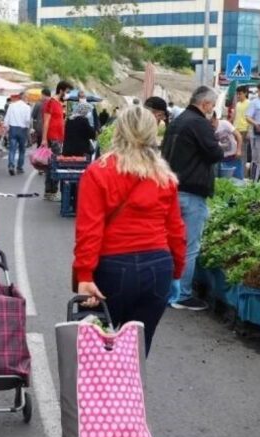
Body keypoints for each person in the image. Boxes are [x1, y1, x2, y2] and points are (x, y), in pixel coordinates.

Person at [73, 106, 185, 356]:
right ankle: (132, 394)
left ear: (118, 131)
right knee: (137, 351)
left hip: (112, 267)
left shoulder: (99, 172)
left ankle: (100, 394)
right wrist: (176, 272)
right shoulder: (163, 176)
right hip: (158, 267)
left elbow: (89, 230)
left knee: (100, 349)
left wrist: (85, 275)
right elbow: (175, 230)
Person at [161, 86, 224, 311]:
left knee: (170, 243)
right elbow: (215, 153)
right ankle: (182, 294)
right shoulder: (199, 123)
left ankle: (167, 291)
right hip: (191, 192)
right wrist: (215, 135)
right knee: (189, 245)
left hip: (171, 189)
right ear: (205, 104)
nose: (212, 110)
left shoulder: (177, 121)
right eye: (212, 106)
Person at [42, 80, 74, 202]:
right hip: (53, 137)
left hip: (59, 138)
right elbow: (46, 121)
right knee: (54, 165)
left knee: (53, 165)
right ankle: (51, 191)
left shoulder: (60, 103)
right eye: (67, 92)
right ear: (61, 90)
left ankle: (50, 191)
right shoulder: (51, 102)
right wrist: (44, 139)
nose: (67, 94)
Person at [3, 92, 31, 175]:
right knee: (22, 150)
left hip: (13, 129)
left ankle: (11, 165)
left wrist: (5, 127)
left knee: (12, 149)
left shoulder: (12, 105)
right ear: (25, 97)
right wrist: (28, 128)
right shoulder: (27, 107)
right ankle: (19, 167)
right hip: (23, 129)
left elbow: (7, 117)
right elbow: (27, 120)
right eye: (27, 97)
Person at [211, 112, 243, 180]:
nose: (211, 124)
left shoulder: (224, 123)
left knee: (238, 179)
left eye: (212, 121)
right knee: (223, 180)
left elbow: (238, 135)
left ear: (215, 118)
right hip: (220, 159)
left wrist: (239, 150)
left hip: (233, 156)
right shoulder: (207, 127)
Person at [232, 85, 251, 173]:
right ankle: (236, 171)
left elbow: (250, 118)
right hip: (236, 130)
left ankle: (242, 173)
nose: (238, 96)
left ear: (245, 93)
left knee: (242, 152)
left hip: (244, 131)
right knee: (235, 151)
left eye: (240, 94)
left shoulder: (249, 103)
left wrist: (248, 131)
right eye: (237, 94)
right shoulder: (237, 104)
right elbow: (234, 117)